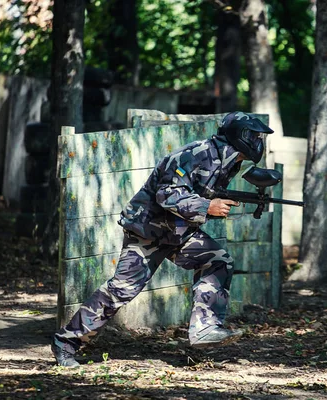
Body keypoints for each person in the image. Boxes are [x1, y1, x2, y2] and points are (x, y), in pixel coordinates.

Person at [51, 111, 274, 367]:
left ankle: (205, 327)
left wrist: (214, 204)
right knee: (122, 290)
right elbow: (167, 194)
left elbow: (200, 193)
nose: (258, 141)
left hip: (178, 232)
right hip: (148, 231)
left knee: (217, 260)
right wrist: (206, 206)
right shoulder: (197, 154)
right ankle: (65, 342)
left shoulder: (228, 160)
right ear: (239, 135)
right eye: (253, 136)